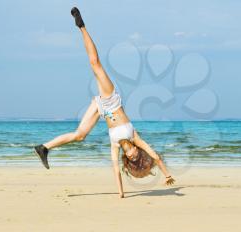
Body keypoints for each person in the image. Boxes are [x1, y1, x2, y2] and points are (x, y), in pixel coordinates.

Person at [33, 7, 175, 198]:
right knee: (95, 63)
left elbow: (116, 170)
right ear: (136, 149)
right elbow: (156, 156)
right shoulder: (135, 137)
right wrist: (167, 175)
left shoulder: (115, 146)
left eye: (132, 158)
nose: (133, 155)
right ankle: (81, 26)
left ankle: (44, 148)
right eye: (136, 154)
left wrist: (121, 194)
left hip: (101, 108)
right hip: (111, 100)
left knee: (80, 135)